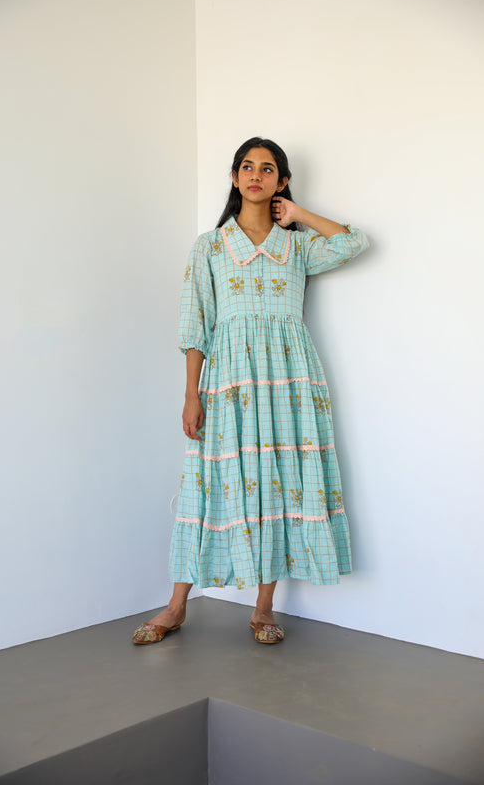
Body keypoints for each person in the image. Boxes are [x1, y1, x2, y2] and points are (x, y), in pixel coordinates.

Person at [133, 137, 370, 645]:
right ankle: (176, 606)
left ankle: (263, 609)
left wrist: (299, 213)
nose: (256, 175)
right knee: (209, 483)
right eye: (247, 167)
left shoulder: (299, 245)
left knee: (280, 481)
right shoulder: (212, 246)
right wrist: (191, 394)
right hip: (229, 380)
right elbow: (195, 324)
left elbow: (354, 241)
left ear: (281, 181)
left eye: (268, 169)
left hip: (290, 379)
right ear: (235, 176)